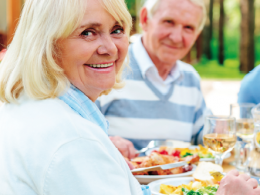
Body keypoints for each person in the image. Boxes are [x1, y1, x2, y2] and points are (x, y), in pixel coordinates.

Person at [0, 0, 148, 194]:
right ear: (47, 43)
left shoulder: (22, 105)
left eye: (117, 29)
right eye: (88, 33)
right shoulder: (74, 140)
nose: (111, 48)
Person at [97, 0, 211, 150]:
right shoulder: (107, 67)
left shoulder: (190, 78)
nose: (176, 37)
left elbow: (208, 138)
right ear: (145, 19)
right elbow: (77, 135)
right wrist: (105, 144)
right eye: (168, 22)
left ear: (196, 35)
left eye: (188, 28)